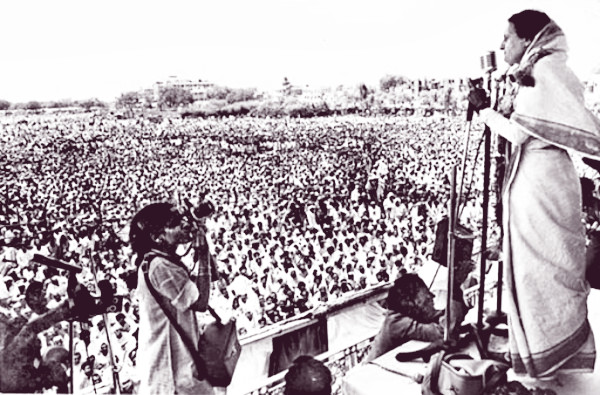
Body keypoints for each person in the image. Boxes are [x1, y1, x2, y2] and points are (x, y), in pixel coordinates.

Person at [468, 9, 600, 378]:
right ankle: (537, 355)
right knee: (533, 270)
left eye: (507, 37)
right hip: (536, 179)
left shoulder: (545, 73)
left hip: (542, 184)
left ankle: (550, 353)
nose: (501, 45)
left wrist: (484, 112)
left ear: (527, 39)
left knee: (543, 270)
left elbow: (519, 134)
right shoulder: (534, 72)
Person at [131, 202, 214, 394]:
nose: (184, 225)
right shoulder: (159, 266)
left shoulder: (163, 260)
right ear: (157, 236)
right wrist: (202, 255)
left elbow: (211, 277)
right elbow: (201, 302)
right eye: (175, 223)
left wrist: (202, 244)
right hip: (170, 370)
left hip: (178, 365)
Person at [363, 272, 467, 363]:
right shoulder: (396, 323)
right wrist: (455, 289)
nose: (432, 296)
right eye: (426, 295)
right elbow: (444, 333)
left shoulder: (414, 313)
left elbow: (445, 317)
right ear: (411, 301)